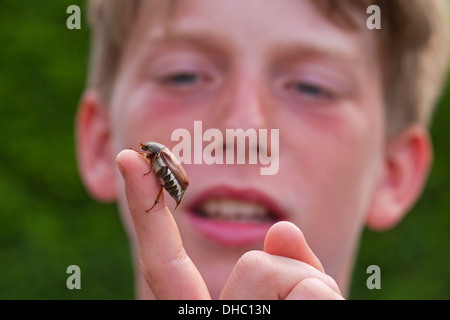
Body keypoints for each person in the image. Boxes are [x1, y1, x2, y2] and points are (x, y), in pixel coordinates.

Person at [75, 0, 449, 299]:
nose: (243, 132)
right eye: (182, 74)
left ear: (392, 172)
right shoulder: (153, 159)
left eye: (312, 86)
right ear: (103, 143)